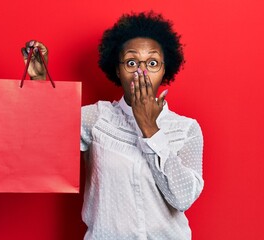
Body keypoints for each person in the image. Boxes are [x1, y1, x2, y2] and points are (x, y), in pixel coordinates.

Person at [21, 11, 204, 240]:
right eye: (131, 62)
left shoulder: (186, 129)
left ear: (165, 70)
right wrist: (38, 81)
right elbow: (44, 132)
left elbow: (183, 197)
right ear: (118, 70)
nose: (141, 72)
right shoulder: (97, 118)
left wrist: (150, 128)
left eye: (153, 63)